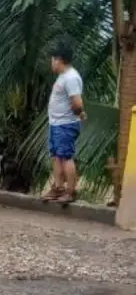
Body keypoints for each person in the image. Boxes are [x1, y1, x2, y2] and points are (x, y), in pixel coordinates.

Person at [45, 44, 85, 203]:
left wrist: (78, 113)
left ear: (59, 60)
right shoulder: (63, 76)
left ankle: (70, 191)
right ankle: (58, 188)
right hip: (56, 123)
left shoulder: (71, 78)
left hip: (65, 124)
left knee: (66, 157)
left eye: (52, 60)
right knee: (57, 156)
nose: (51, 63)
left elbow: (77, 102)